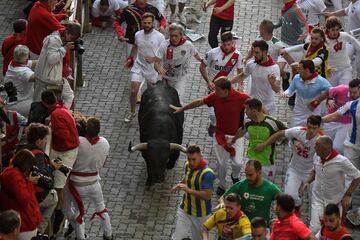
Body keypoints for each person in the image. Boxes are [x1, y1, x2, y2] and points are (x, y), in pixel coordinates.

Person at [171, 77, 250, 195]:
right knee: (222, 164)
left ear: (226, 91)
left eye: (217, 90)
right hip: (220, 134)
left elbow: (255, 104)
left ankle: (235, 176)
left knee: (238, 163)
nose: (215, 92)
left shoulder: (241, 97)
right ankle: (222, 185)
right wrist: (182, 108)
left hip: (236, 136)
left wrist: (264, 115)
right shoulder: (215, 96)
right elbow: (199, 102)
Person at [254, 115, 322, 211]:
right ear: (306, 125)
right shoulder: (298, 131)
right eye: (309, 127)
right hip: (295, 170)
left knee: (315, 200)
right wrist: (264, 145)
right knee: (289, 196)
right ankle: (297, 206)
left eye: (314, 128)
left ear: (319, 128)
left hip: (311, 173)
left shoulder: (321, 140)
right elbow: (280, 134)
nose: (311, 131)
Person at [63, 117, 112, 240]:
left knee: (77, 211)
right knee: (101, 208)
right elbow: (104, 162)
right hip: (94, 182)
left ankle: (80, 237)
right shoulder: (105, 143)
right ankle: (109, 235)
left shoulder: (78, 142)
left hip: (76, 184)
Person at [300, 136, 360, 233]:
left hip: (334, 203)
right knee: (314, 229)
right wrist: (308, 181)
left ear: (326, 149)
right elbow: (314, 171)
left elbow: (357, 176)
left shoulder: (341, 161)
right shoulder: (316, 156)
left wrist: (348, 194)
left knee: (333, 231)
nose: (314, 148)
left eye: (317, 146)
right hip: (317, 199)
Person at [41, 90, 80, 235]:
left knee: (58, 186)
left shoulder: (56, 115)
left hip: (65, 151)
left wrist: (51, 129)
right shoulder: (62, 109)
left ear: (44, 103)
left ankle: (58, 215)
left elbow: (63, 136)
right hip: (70, 148)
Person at [17, 123, 62, 235]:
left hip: (21, 191)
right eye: (45, 139)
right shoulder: (37, 154)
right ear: (38, 141)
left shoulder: (21, 149)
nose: (46, 142)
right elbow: (41, 174)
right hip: (34, 194)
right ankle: (40, 232)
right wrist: (52, 167)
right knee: (54, 197)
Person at [230, 98, 287, 180]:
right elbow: (242, 130)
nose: (245, 112)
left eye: (247, 109)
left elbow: (287, 133)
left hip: (267, 163)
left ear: (254, 110)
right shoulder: (247, 121)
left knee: (265, 189)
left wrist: (268, 144)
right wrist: (233, 140)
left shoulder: (272, 122)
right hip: (251, 159)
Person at [124, 12, 165, 123]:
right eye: (145, 23)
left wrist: (155, 60)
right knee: (134, 91)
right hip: (139, 66)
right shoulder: (138, 34)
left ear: (153, 23)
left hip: (152, 69)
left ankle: (151, 113)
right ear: (142, 22)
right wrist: (130, 59)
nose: (147, 25)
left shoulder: (160, 37)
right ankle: (132, 112)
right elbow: (136, 47)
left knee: (152, 94)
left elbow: (163, 54)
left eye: (149, 23)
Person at [199, 31, 243, 136]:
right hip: (213, 88)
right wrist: (208, 81)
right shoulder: (212, 53)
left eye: (229, 44)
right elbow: (202, 67)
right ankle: (214, 125)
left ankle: (222, 131)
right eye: (224, 44)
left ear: (233, 43)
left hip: (228, 89)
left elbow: (240, 73)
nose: (227, 47)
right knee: (213, 114)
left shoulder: (237, 55)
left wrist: (240, 86)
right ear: (221, 43)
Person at [170, 144, 215, 240]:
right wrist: (179, 184)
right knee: (177, 237)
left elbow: (207, 196)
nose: (191, 162)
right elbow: (187, 178)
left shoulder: (208, 173)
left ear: (200, 156)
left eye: (194, 159)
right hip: (185, 209)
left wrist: (188, 190)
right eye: (189, 159)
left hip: (201, 215)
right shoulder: (187, 165)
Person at [33, 22, 81, 109]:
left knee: (41, 101)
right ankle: (60, 115)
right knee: (41, 102)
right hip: (48, 77)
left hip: (49, 75)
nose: (71, 41)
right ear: (67, 32)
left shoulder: (60, 37)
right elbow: (51, 59)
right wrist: (65, 48)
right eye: (72, 38)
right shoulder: (54, 40)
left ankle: (58, 115)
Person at [221, 160, 281, 227]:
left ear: (259, 172)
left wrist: (280, 218)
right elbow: (223, 197)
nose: (247, 178)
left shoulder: (270, 188)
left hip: (261, 230)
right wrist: (222, 204)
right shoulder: (241, 185)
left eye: (250, 175)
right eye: (246, 174)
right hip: (242, 226)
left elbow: (284, 202)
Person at [0, 150, 42, 240]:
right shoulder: (15, 177)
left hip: (22, 223)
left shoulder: (11, 172)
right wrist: (30, 182)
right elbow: (25, 200)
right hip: (24, 225)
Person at [154, 23, 202, 101]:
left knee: (177, 97)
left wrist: (203, 61)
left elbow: (196, 54)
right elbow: (156, 62)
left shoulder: (188, 45)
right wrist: (160, 69)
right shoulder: (164, 45)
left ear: (181, 35)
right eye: (171, 35)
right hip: (167, 76)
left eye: (176, 36)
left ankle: (178, 111)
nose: (173, 38)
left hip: (181, 76)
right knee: (164, 99)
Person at [232, 40, 281, 115]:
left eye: (257, 53)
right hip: (252, 105)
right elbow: (242, 76)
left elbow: (277, 89)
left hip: (267, 106)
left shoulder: (274, 68)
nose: (254, 55)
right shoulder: (251, 64)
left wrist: (272, 84)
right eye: (254, 52)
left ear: (264, 52)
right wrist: (228, 82)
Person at [322, 78, 360, 170]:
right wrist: (318, 120)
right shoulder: (352, 105)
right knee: (350, 173)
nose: (352, 95)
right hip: (352, 144)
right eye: (351, 92)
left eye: (354, 92)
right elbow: (335, 116)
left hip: (346, 127)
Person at [282, 60, 331, 127]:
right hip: (299, 109)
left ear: (307, 70)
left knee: (312, 130)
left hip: (313, 110)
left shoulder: (320, 81)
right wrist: (286, 93)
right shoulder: (296, 78)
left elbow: (331, 90)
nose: (297, 70)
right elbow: (291, 89)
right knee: (294, 128)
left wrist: (327, 99)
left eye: (300, 68)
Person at [325, 0, 360, 77]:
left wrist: (352, 33)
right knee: (345, 58)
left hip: (357, 39)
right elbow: (345, 11)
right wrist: (332, 14)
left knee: (358, 66)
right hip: (351, 39)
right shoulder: (353, 4)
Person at [4, 45, 36, 118]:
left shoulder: (13, 63)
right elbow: (39, 77)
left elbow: (34, 63)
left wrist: (45, 60)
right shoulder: (23, 72)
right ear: (27, 58)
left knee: (12, 127)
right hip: (22, 106)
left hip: (10, 105)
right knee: (43, 109)